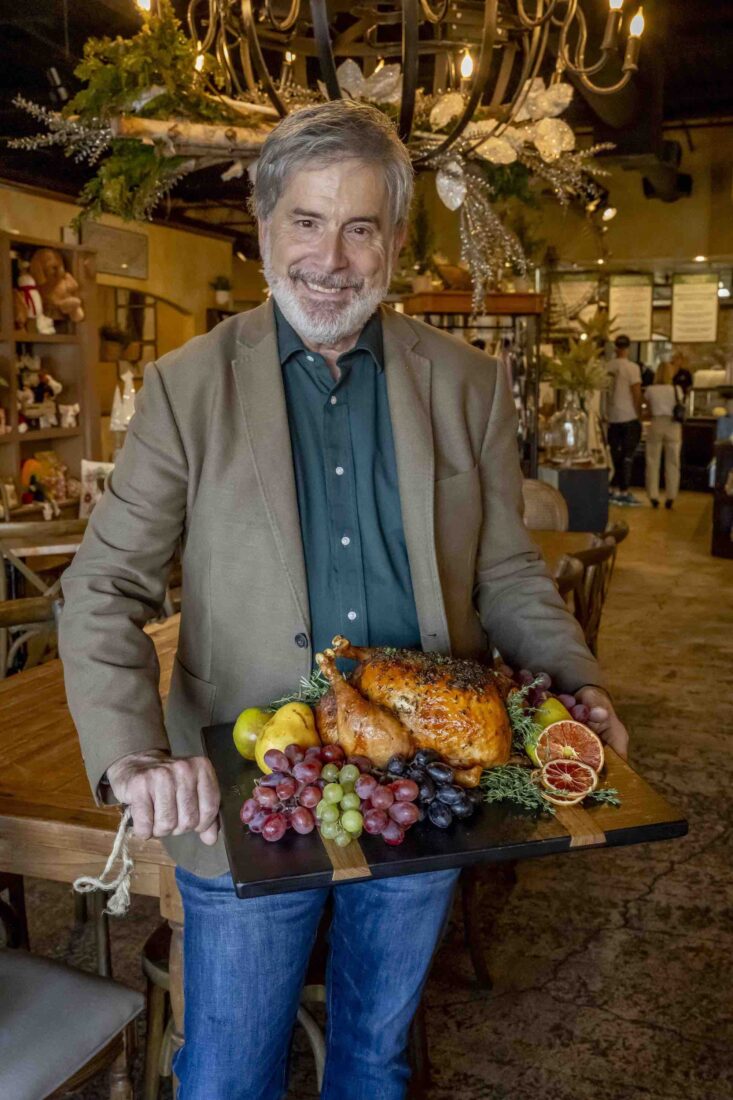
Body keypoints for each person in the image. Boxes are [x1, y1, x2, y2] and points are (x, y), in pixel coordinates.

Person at [59, 101, 629, 1100]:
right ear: (266, 226)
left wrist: (578, 683)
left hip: (424, 784)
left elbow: (504, 573)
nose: (332, 257)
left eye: (361, 226)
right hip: (247, 784)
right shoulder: (190, 386)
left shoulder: (465, 384)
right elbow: (103, 584)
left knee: (374, 1057)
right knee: (230, 1072)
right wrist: (132, 751)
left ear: (397, 242)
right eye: (308, 222)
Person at [605, 334, 643, 505]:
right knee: (627, 456)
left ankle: (612, 487)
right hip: (628, 416)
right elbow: (636, 392)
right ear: (628, 348)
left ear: (615, 347)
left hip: (612, 416)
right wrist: (639, 414)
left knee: (614, 453)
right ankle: (624, 490)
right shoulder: (632, 367)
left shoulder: (608, 366)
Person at [644, 360, 683, 509]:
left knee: (652, 460)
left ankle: (653, 495)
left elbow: (646, 408)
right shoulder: (676, 389)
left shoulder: (650, 389)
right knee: (673, 461)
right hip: (673, 424)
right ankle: (671, 496)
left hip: (656, 423)